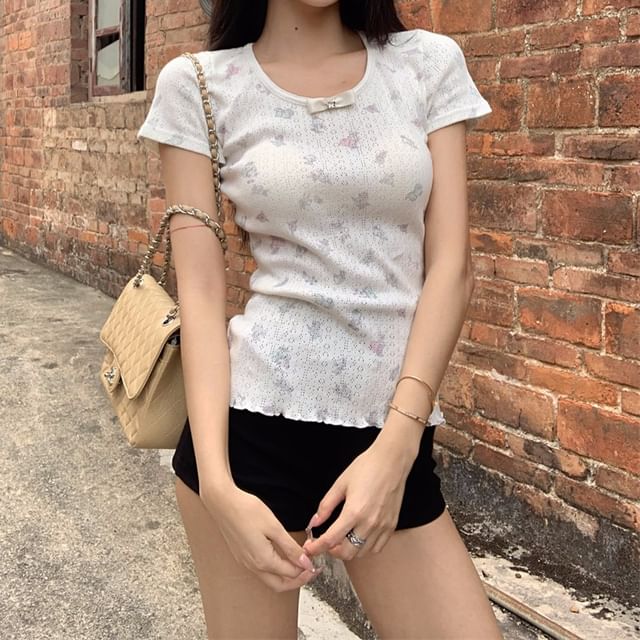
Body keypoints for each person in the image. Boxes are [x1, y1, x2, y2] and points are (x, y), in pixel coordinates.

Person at [136, 1, 502, 638]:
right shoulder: (199, 84)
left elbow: (452, 267)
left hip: (389, 433)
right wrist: (218, 487)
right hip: (248, 438)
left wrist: (397, 447)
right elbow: (200, 293)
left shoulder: (426, 65)